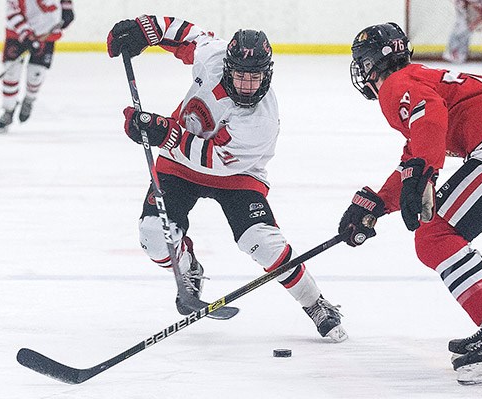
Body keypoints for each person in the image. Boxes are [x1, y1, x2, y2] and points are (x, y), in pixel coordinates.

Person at [106, 15, 347, 342]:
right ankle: (188, 265)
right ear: (227, 65)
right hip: (178, 164)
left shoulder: (261, 120)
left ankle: (315, 303)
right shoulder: (213, 55)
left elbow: (214, 161)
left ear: (267, 73)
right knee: (153, 237)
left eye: (256, 77)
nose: (248, 85)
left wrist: (161, 132)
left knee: (263, 244)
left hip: (237, 175)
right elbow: (185, 33)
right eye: (240, 76)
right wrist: (145, 30)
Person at [342, 22, 482, 384]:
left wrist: (423, 173)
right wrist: (377, 204)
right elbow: (418, 147)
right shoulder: (417, 75)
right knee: (438, 233)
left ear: (369, 65)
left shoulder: (394, 86)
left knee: (434, 236)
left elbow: (430, 116)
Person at [0, 0, 74, 134]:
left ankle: (29, 100)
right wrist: (26, 35)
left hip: (46, 29)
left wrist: (67, 7)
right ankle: (8, 111)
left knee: (36, 73)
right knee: (11, 72)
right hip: (16, 33)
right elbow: (12, 10)